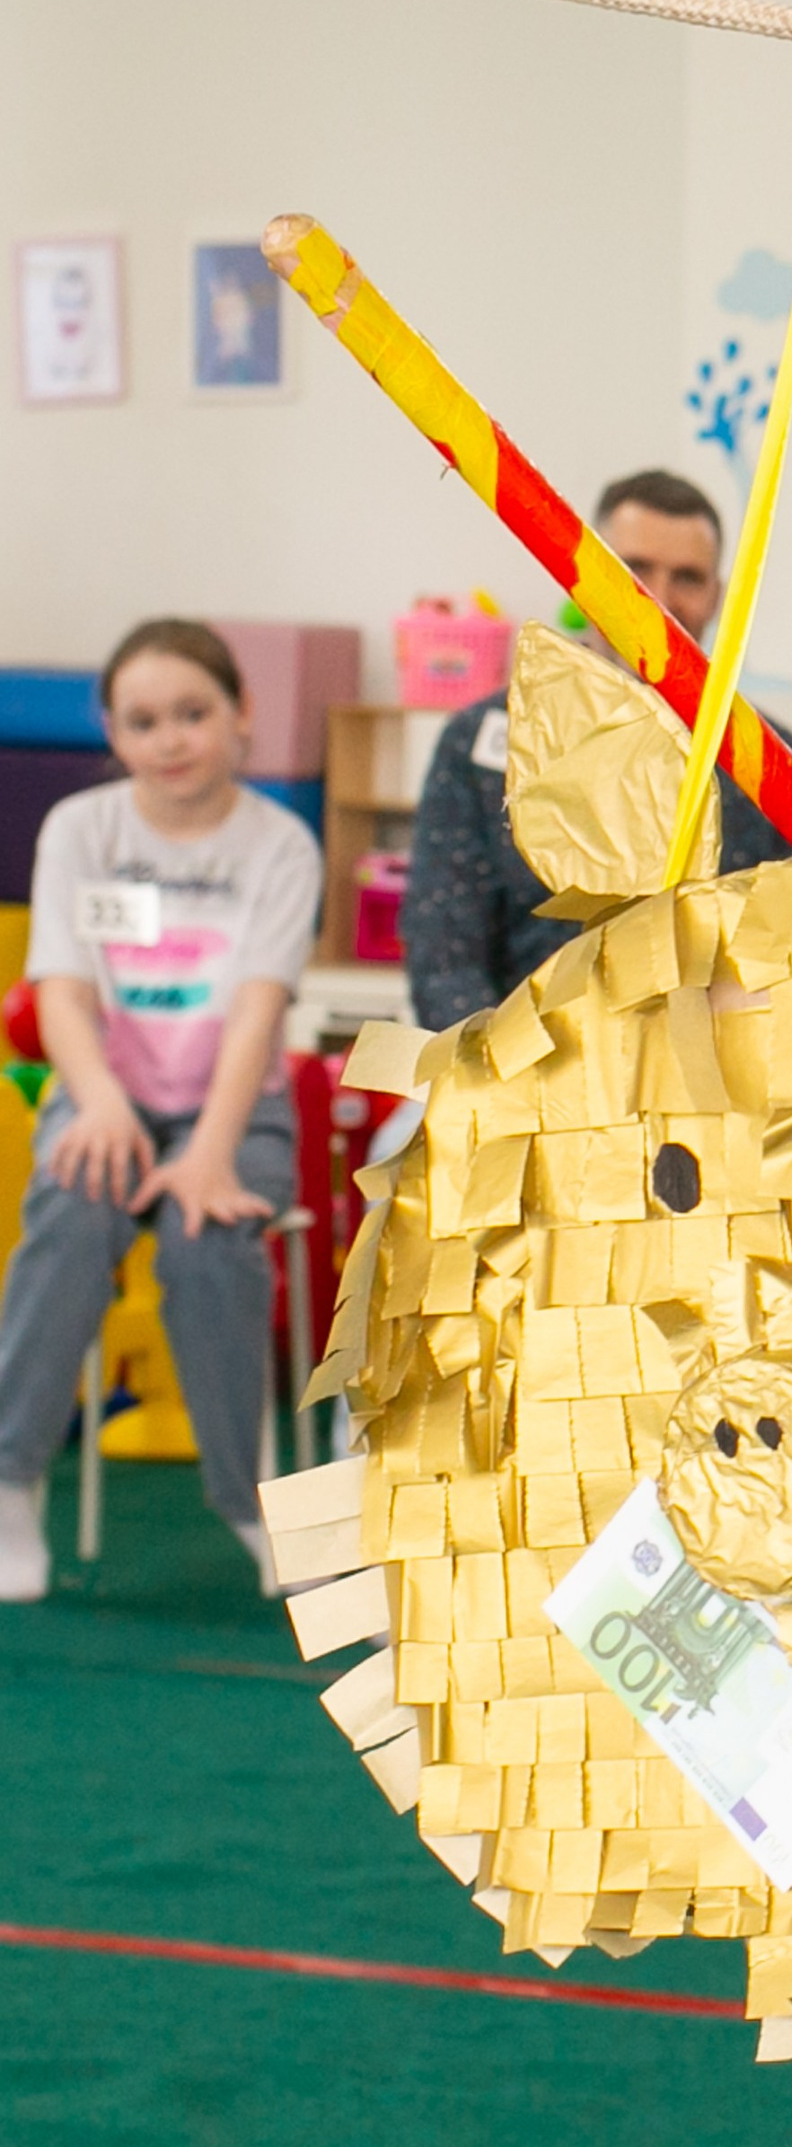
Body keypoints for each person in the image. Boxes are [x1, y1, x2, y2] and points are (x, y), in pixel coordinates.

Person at [0, 620, 319, 1605]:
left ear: (241, 716)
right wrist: (95, 1104)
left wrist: (213, 1155)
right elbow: (58, 990)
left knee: (205, 1238)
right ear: (113, 732)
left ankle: (246, 1502)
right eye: (144, 721)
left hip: (235, 1106)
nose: (171, 737)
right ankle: (11, 1483)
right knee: (70, 1213)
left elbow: (258, 1010)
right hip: (109, 1097)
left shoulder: (280, 845)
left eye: (193, 713)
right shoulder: (81, 832)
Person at [402, 467, 792, 1030]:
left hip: (708, 1091)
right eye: (633, 571)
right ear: (583, 576)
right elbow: (444, 958)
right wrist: (508, 1089)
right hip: (513, 1084)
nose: (657, 602)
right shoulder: (483, 744)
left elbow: (788, 970)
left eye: (687, 578)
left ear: (717, 596)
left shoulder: (772, 767)